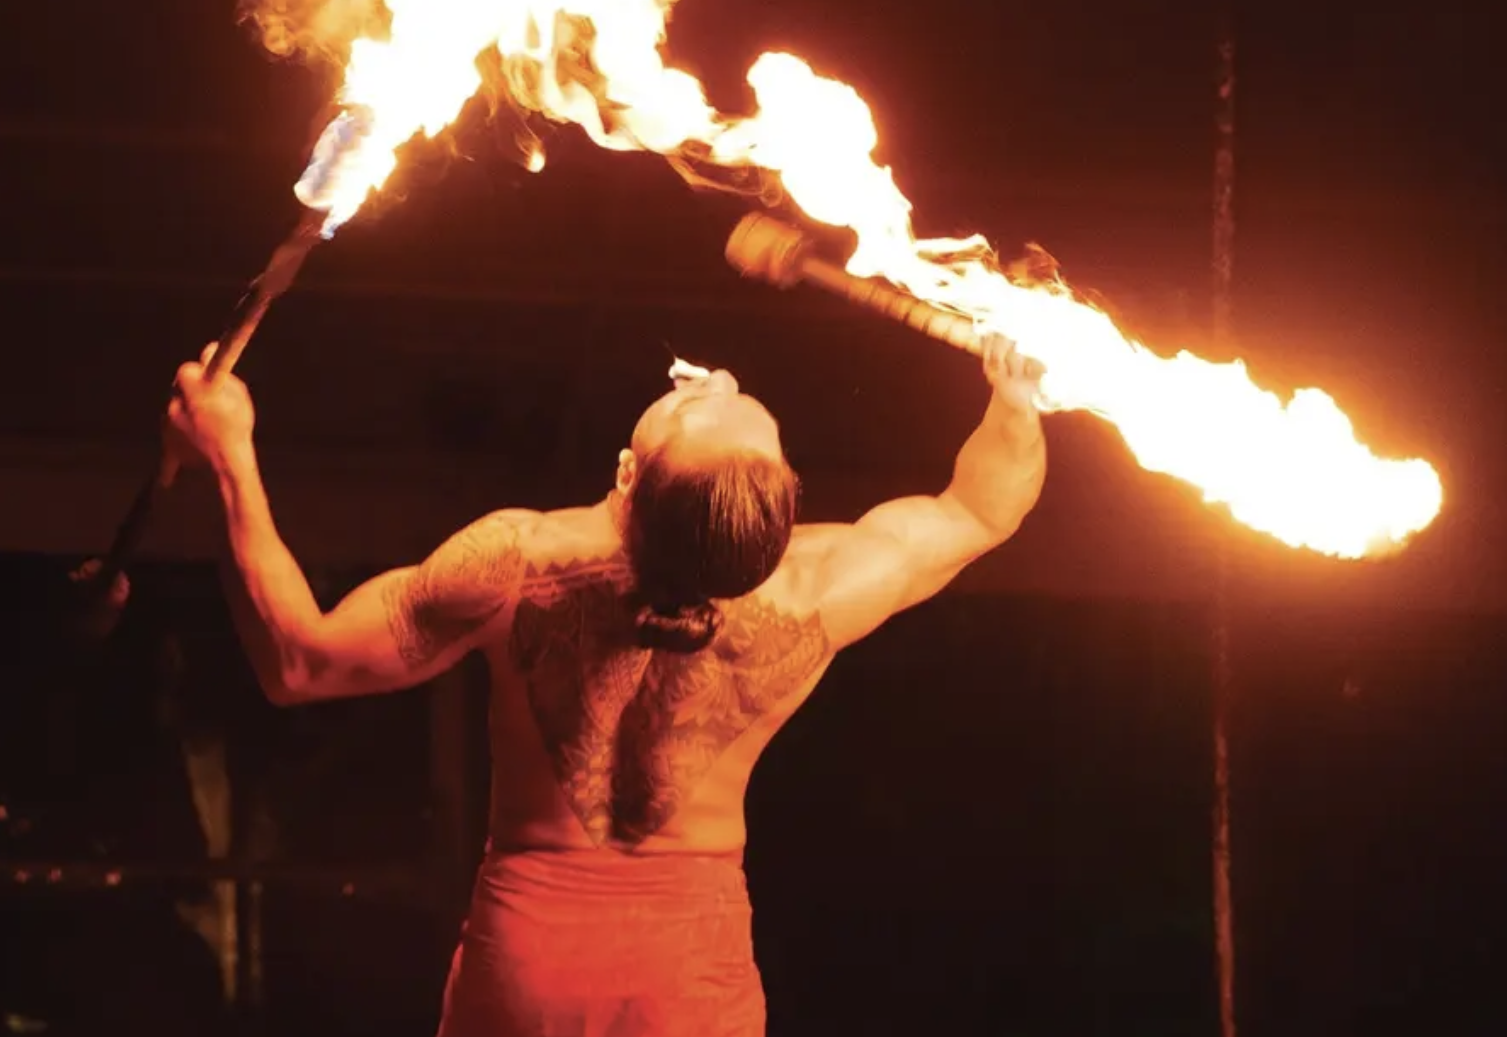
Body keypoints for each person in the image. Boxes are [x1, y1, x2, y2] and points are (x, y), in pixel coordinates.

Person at [164, 331, 1049, 1036]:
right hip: (689, 991)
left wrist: (228, 458)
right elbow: (980, 510)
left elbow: (298, 663)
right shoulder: (818, 593)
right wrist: (1013, 405)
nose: (721, 377)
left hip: (530, 975)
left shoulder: (515, 564)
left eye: (716, 401)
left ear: (627, 477)